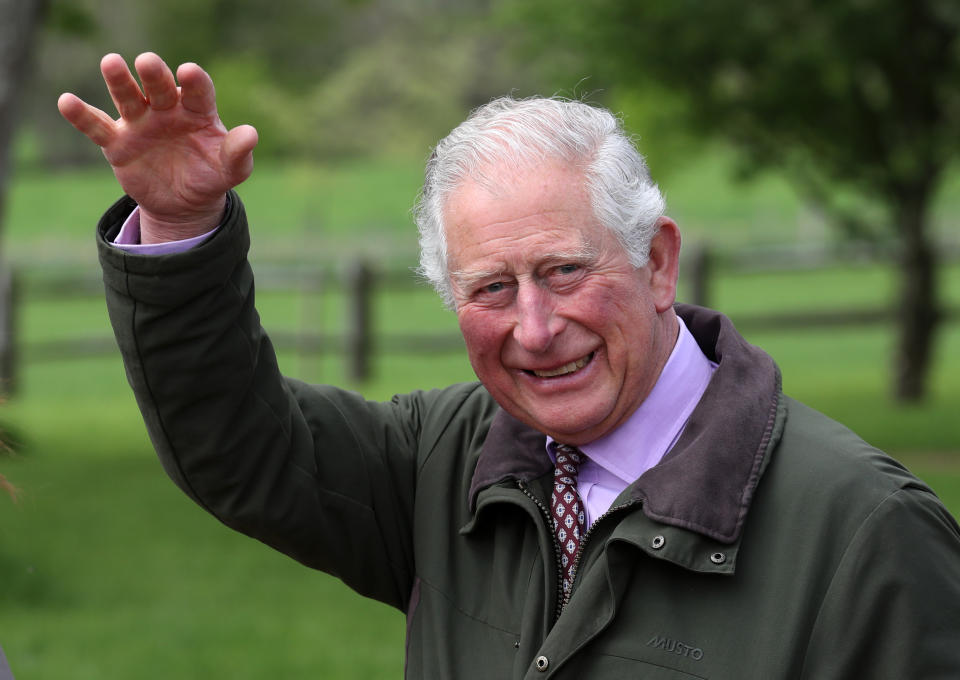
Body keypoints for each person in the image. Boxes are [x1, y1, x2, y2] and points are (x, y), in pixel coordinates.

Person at [59, 53, 960, 679]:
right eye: (490, 289)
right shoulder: (443, 460)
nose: (535, 328)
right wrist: (181, 231)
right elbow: (239, 446)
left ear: (656, 262)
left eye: (565, 271)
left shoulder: (865, 534)